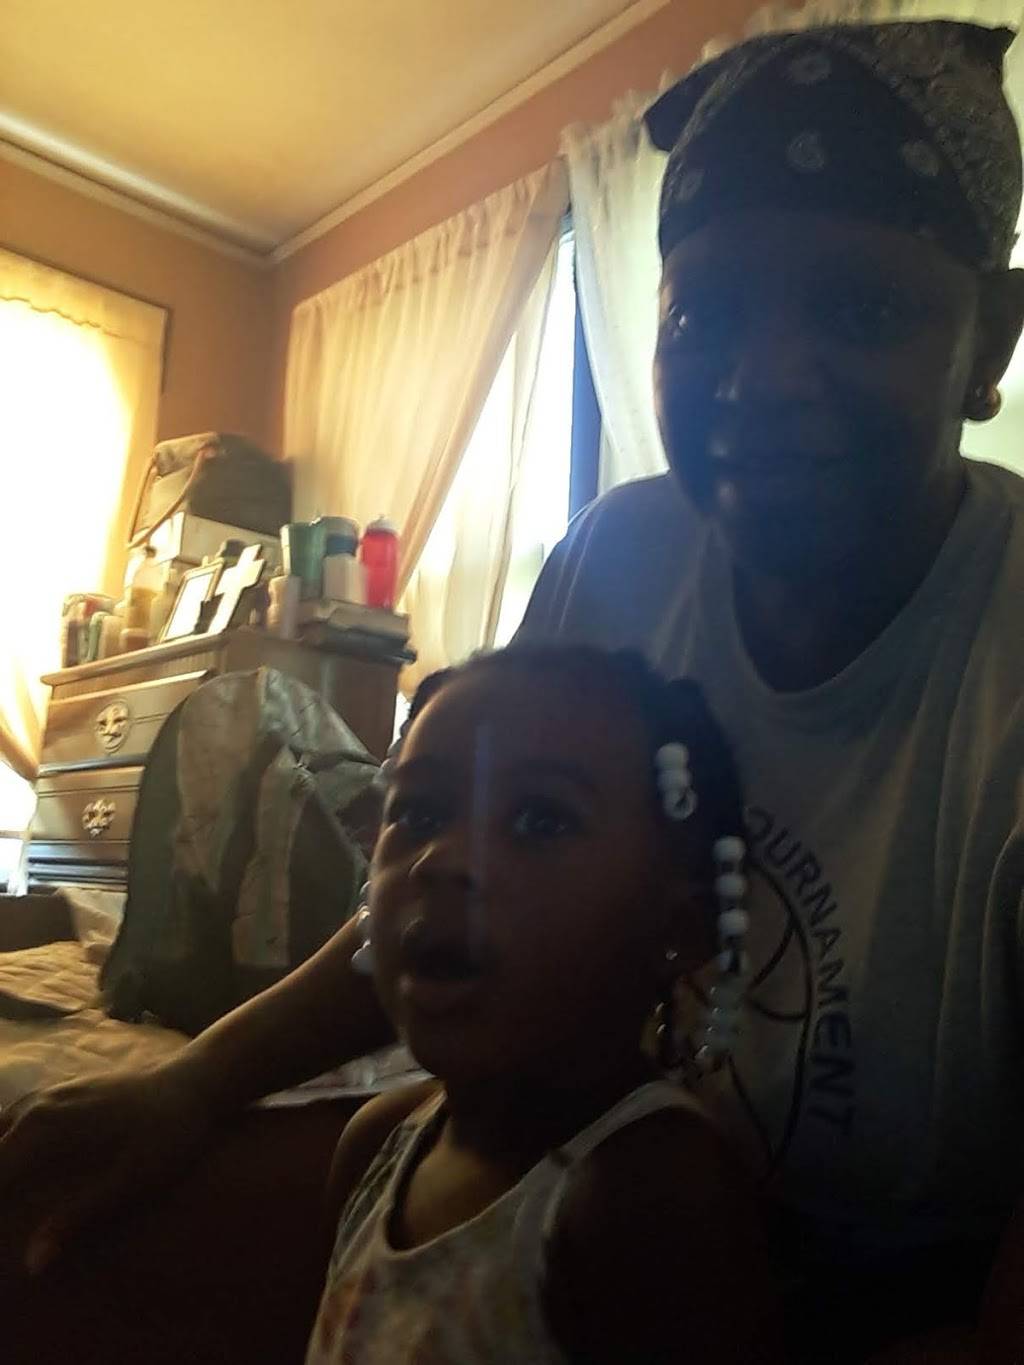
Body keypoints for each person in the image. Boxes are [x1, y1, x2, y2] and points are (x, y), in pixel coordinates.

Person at [2, 12, 1023, 1360]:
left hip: (904, 1306)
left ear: (990, 342)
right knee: (74, 1222)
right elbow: (445, 892)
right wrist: (193, 1083)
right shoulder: (623, 553)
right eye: (702, 312)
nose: (763, 379)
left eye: (864, 309)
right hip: (569, 1169)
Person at [305, 644, 781, 1364]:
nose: (442, 859)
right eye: (420, 812)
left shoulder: (649, 1200)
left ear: (679, 924)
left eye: (540, 821)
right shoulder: (376, 1145)